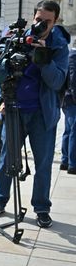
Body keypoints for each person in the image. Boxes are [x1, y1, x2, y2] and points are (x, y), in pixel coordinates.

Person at [0, 0, 70, 228]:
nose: (41, 24)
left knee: (43, 163)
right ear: (33, 16)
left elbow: (57, 81)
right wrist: (1, 99)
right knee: (6, 159)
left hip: (43, 113)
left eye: (47, 21)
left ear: (55, 22)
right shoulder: (17, 37)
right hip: (14, 109)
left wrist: (42, 58)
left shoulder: (59, 45)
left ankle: (41, 207)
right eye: (38, 19)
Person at [60, 41, 76, 174]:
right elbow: (73, 79)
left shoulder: (70, 55)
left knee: (68, 130)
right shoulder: (73, 56)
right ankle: (72, 164)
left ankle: (65, 161)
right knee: (73, 131)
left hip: (67, 99)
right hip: (72, 99)